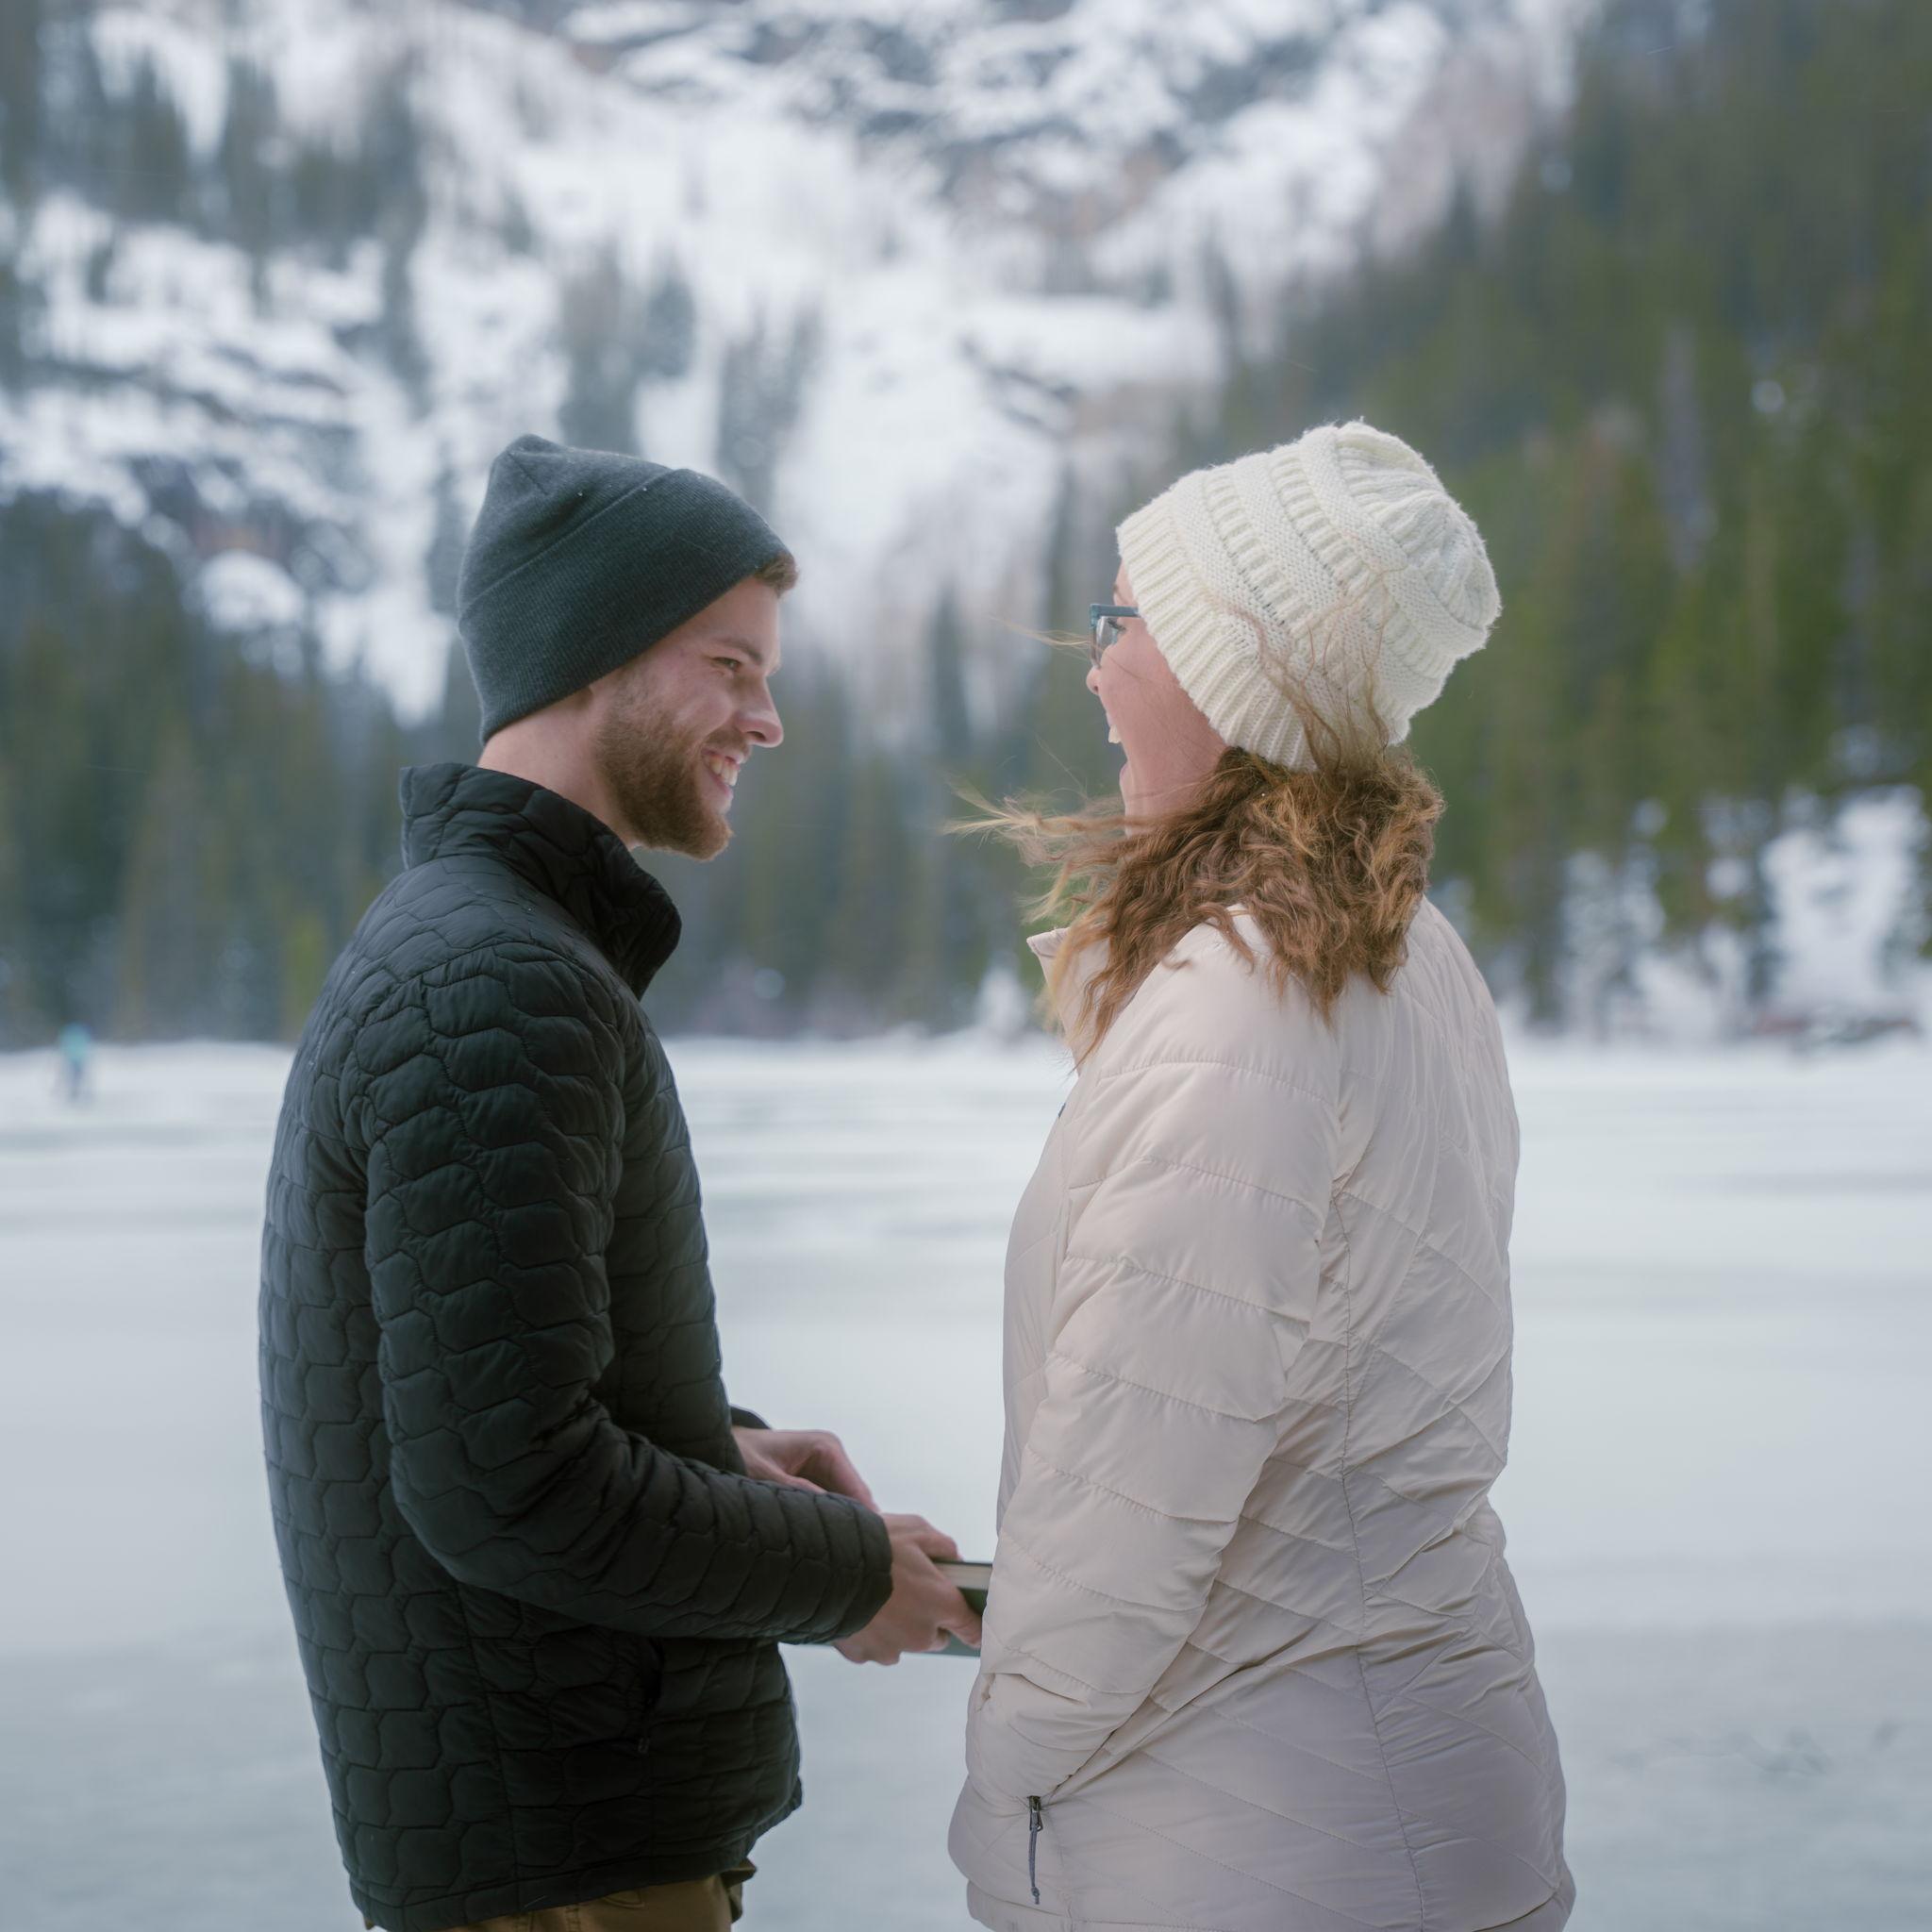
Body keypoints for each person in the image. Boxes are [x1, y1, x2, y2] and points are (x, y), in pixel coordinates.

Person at [259, 434, 978, 1932]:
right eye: (730, 666)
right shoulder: (497, 985)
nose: (766, 719)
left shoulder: (490, 951)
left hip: (557, 1841)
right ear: (595, 655)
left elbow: (481, 1390)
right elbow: (509, 1487)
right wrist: (839, 1574)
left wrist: (715, 1444)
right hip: (571, 1870)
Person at [950, 423, 1574, 1931]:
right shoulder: (1405, 953)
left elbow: (1130, 1504)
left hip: (1267, 1843)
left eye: (1126, 623)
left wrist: (1007, 1791)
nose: (1095, 670)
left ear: (1237, 671)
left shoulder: (1247, 1004)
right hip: (1394, 1794)